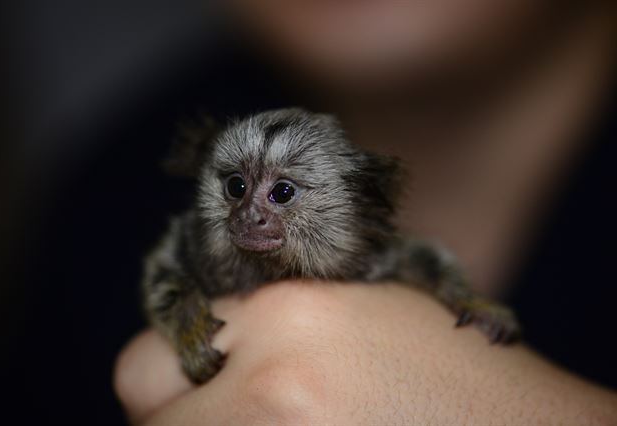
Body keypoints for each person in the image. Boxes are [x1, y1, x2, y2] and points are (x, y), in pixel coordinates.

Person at [115, 1, 617, 423]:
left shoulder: (390, 255)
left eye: (283, 194)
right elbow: (168, 271)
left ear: (357, 204)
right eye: (237, 187)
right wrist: (185, 323)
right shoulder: (115, 192)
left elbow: (425, 261)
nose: (249, 213)